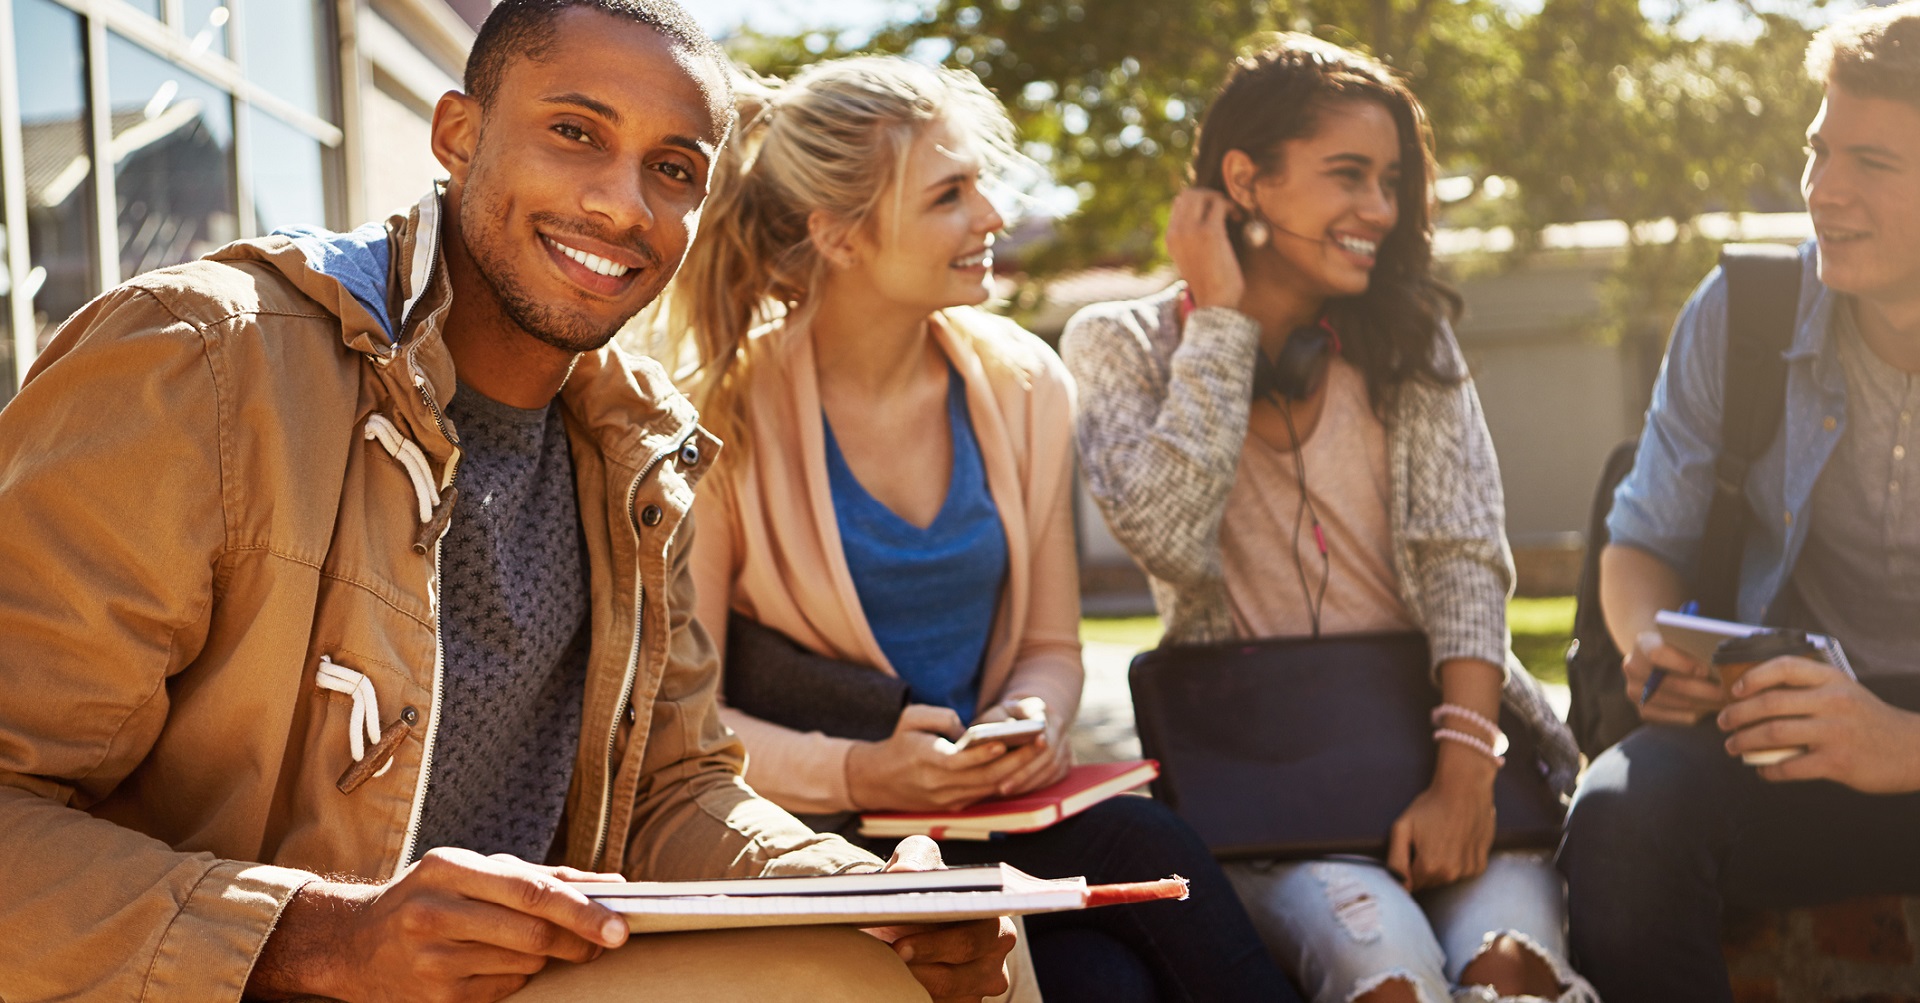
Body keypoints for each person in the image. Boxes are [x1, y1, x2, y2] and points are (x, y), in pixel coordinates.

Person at [0, 3, 1017, 1001]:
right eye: (576, 133)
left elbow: (672, 789)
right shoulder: (197, 362)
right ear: (458, 134)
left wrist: (856, 892)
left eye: (673, 170)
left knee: (940, 956)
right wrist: (326, 939)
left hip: (531, 974)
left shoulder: (639, 449)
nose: (623, 206)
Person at [660, 55, 1298, 1003]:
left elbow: (1049, 644)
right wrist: (863, 768)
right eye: (950, 194)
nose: (992, 215)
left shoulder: (1024, 383)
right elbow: (690, 721)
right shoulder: (718, 416)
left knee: (1158, 854)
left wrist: (1030, 715)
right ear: (838, 235)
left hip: (1000, 812)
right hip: (820, 835)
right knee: (1108, 986)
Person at [1061, 36, 1596, 1003]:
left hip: (1452, 752)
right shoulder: (1120, 344)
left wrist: (1464, 773)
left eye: (1391, 181)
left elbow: (1463, 558)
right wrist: (1221, 324)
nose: (1380, 211)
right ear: (1245, 179)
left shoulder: (1410, 338)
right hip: (1272, 792)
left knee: (1512, 972)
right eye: (1348, 175)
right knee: (1384, 970)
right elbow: (1168, 534)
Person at [1558, 5, 1920, 999]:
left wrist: (1897, 741)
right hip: (1786, 727)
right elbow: (1641, 543)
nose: (1822, 190)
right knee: (1622, 824)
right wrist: (1650, 648)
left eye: (1872, 163)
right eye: (1818, 150)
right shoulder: (1744, 313)